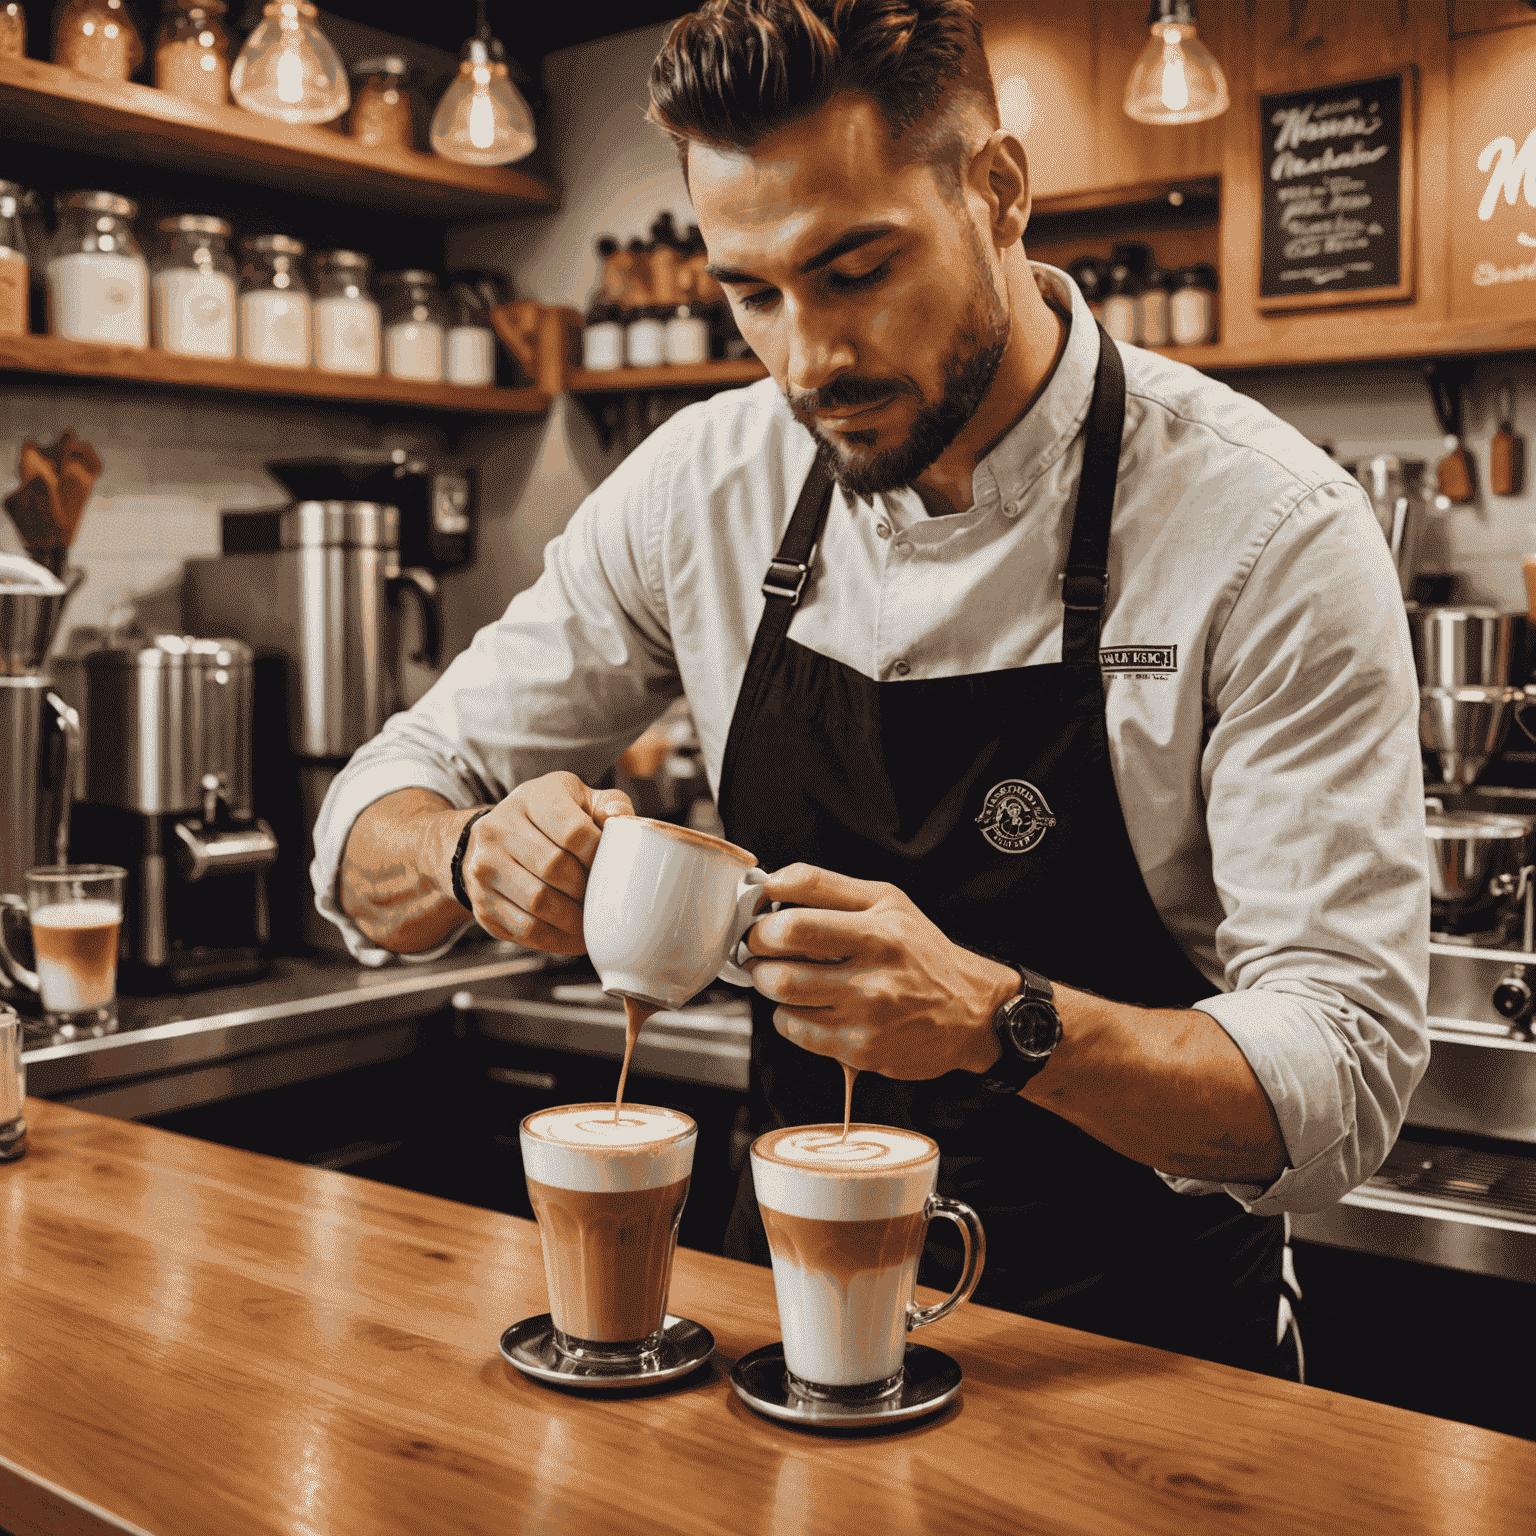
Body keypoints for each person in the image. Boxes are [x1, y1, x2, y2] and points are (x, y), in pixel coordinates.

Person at [314, 0, 1428, 1376]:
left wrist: (994, 1021)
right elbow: (375, 814)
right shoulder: (700, 490)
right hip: (774, 1322)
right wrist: (467, 849)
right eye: (750, 293)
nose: (805, 361)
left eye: (856, 270)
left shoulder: (1266, 530)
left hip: (1139, 1356)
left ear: (999, 193)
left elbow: (1347, 1078)